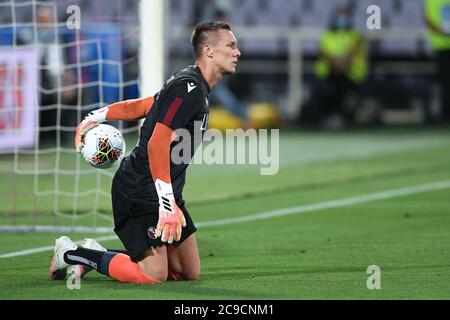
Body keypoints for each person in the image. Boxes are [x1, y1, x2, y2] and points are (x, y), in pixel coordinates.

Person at [49, 20, 241, 284]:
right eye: (231, 45)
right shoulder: (189, 88)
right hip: (139, 191)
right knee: (154, 275)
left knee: (187, 271)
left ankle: (98, 252)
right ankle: (73, 254)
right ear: (208, 50)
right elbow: (156, 143)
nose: (237, 52)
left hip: (163, 190)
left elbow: (142, 106)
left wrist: (96, 115)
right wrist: (167, 204)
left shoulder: (192, 85)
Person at [304, 6, 368, 128]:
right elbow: (324, 54)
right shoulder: (327, 35)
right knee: (320, 89)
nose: (341, 20)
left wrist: (340, 65)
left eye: (344, 16)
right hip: (329, 74)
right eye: (339, 16)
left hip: (351, 76)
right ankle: (319, 120)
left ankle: (342, 118)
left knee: (342, 87)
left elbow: (351, 55)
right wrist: (337, 65)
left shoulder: (356, 36)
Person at [424, 0, 450, 123]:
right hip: (440, 46)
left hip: (442, 45)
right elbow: (428, 21)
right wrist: (440, 31)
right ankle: (445, 113)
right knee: (444, 82)